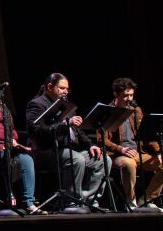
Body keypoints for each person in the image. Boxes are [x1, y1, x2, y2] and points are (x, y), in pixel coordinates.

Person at [25, 72, 110, 210]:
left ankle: (89, 199)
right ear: (50, 86)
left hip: (69, 149)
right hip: (46, 151)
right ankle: (71, 202)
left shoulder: (67, 105)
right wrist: (64, 125)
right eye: (62, 88)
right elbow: (37, 131)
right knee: (76, 159)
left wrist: (91, 145)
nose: (65, 92)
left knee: (103, 160)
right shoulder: (37, 104)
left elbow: (79, 131)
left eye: (67, 89)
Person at [0, 67, 45, 215]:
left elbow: (10, 130)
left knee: (26, 160)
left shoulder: (1, 104)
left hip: (5, 147)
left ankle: (28, 203)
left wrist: (14, 142)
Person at [104, 77, 163, 212]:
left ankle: (148, 199)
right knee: (129, 164)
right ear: (116, 94)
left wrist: (158, 152)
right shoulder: (107, 111)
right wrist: (121, 149)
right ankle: (131, 201)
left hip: (138, 153)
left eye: (131, 95)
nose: (129, 98)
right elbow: (103, 140)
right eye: (126, 95)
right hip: (117, 155)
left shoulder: (136, 111)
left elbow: (147, 135)